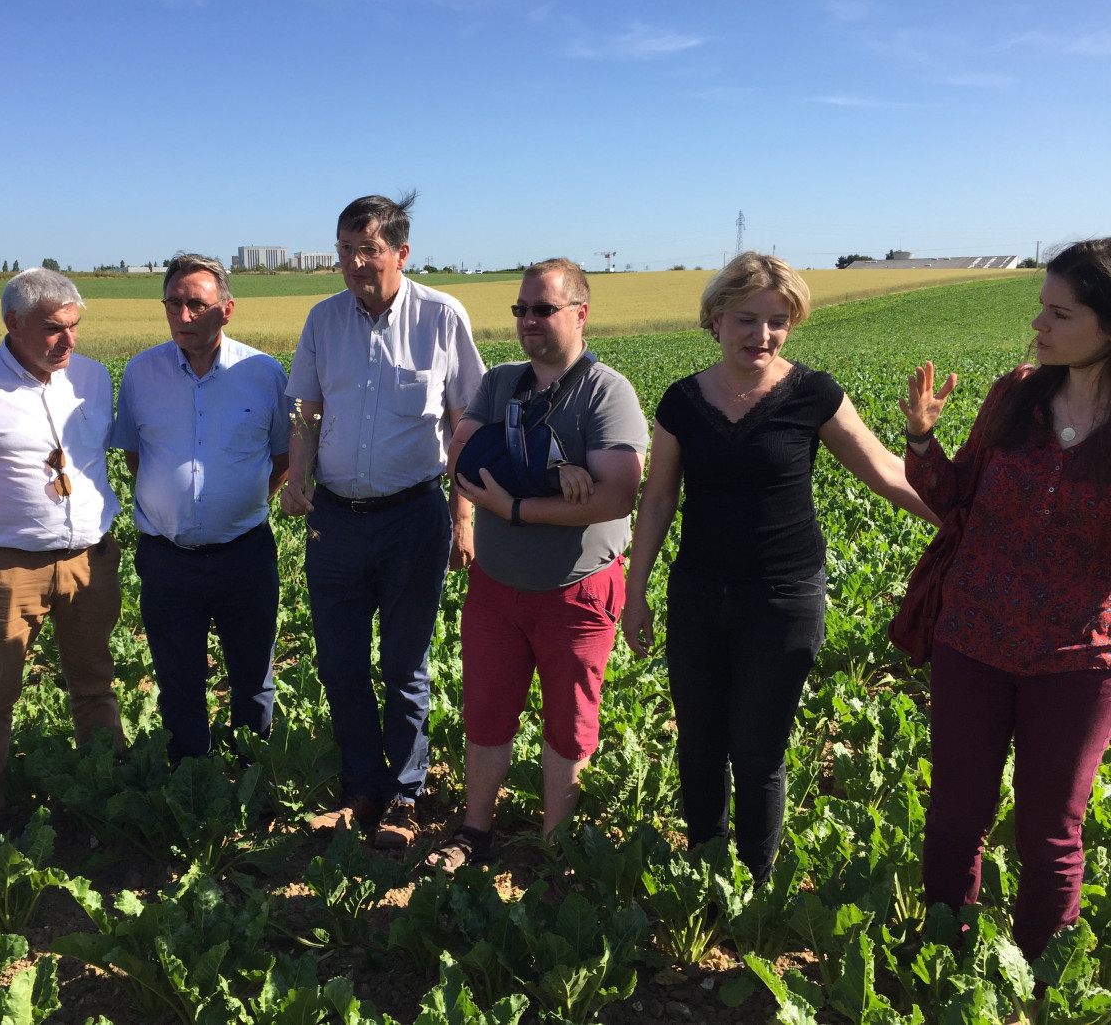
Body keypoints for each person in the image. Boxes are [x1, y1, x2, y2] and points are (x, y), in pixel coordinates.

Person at [621, 251, 937, 885]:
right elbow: (657, 498)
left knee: (760, 751)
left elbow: (882, 473)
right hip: (699, 594)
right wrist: (637, 592)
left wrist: (960, 517)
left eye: (777, 321)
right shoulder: (682, 401)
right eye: (746, 319)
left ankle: (754, 885)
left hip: (784, 598)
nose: (761, 335)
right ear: (714, 319)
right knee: (700, 745)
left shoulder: (814, 394)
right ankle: (707, 876)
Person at [901, 239, 1111, 961]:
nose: (1039, 326)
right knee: (956, 816)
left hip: (1079, 660)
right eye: (1040, 309)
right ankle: (946, 967)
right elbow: (955, 499)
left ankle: (1040, 990)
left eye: (1060, 313)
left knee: (1051, 832)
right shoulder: (1017, 393)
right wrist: (923, 441)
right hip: (973, 640)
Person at [425, 258, 646, 871]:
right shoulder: (500, 382)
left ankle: (556, 845)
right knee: (487, 708)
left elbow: (615, 494)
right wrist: (554, 473)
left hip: (575, 591)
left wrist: (516, 503)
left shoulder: (608, 393)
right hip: (496, 585)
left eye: (542, 309)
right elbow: (465, 464)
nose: (527, 320)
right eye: (521, 309)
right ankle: (474, 829)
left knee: (570, 722)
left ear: (580, 312)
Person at [281, 192, 485, 848]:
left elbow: (463, 424)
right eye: (345, 249)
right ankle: (362, 788)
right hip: (335, 519)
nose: (353, 262)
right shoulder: (323, 321)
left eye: (367, 249)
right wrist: (298, 474)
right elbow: (306, 412)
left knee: (404, 664)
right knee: (339, 664)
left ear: (401, 252)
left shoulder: (441, 316)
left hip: (413, 515)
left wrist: (463, 517)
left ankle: (405, 795)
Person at [0, 267, 123, 825]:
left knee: (96, 685)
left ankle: (110, 798)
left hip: (90, 559)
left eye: (75, 327)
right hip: (7, 567)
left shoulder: (92, 377)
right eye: (54, 328)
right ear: (13, 323)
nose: (68, 341)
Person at [111, 254, 290, 762]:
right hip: (167, 558)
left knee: (254, 675)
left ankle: (253, 774)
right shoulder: (141, 373)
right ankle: (192, 778)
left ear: (227, 310)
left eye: (197, 304)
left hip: (244, 553)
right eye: (174, 304)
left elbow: (281, 460)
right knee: (177, 678)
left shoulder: (263, 373)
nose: (183, 317)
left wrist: (238, 507)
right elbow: (135, 458)